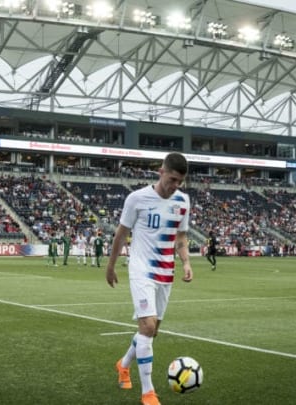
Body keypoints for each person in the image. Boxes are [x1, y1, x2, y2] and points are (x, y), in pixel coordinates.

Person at [106, 152, 193, 405]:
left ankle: (123, 365)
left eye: (180, 181)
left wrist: (186, 262)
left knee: (152, 332)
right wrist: (111, 266)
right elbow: (121, 235)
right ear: (161, 171)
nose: (175, 185)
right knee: (147, 326)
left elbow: (182, 237)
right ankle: (148, 392)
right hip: (141, 269)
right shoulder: (137, 199)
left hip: (166, 272)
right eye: (173, 179)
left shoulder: (183, 201)